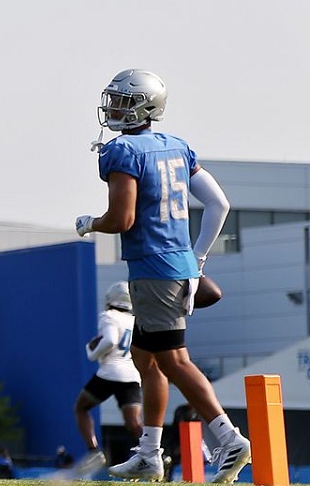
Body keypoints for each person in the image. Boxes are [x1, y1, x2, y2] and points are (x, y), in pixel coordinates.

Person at [75, 69, 250, 483]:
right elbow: (218, 203)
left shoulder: (122, 152)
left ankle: (230, 439)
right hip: (177, 266)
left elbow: (123, 218)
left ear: (143, 107)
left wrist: (90, 223)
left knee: (173, 360)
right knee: (145, 359)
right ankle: (150, 454)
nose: (113, 108)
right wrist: (198, 259)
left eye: (121, 101)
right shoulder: (177, 146)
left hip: (154, 268)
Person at [72, 281, 143, 479]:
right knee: (134, 424)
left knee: (81, 408)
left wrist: (92, 353)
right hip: (131, 374)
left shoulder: (109, 316)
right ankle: (154, 451)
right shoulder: (134, 320)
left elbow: (110, 340)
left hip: (110, 373)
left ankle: (94, 452)